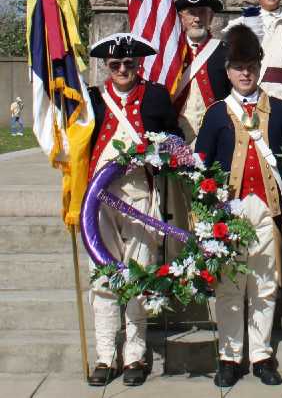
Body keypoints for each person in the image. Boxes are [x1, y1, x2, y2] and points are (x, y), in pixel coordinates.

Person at [195, 25, 282, 388]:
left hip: (269, 212)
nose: (245, 73)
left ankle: (260, 354)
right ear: (228, 71)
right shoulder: (215, 114)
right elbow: (201, 168)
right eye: (238, 66)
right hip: (230, 213)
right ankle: (229, 355)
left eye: (251, 66)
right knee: (229, 286)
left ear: (259, 67)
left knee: (265, 284)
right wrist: (206, 214)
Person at [85, 33, 181, 388]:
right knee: (103, 273)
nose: (123, 69)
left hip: (140, 191)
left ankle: (135, 354)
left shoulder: (154, 96)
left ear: (138, 64)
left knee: (139, 270)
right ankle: (105, 354)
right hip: (99, 196)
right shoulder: (94, 99)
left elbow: (172, 138)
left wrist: (160, 154)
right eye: (115, 65)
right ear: (107, 67)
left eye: (129, 63)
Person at [173, 0, 231, 147]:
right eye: (191, 13)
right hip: (176, 133)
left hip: (214, 131)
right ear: (181, 17)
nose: (197, 19)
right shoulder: (170, 53)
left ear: (210, 17)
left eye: (202, 13)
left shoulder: (225, 52)